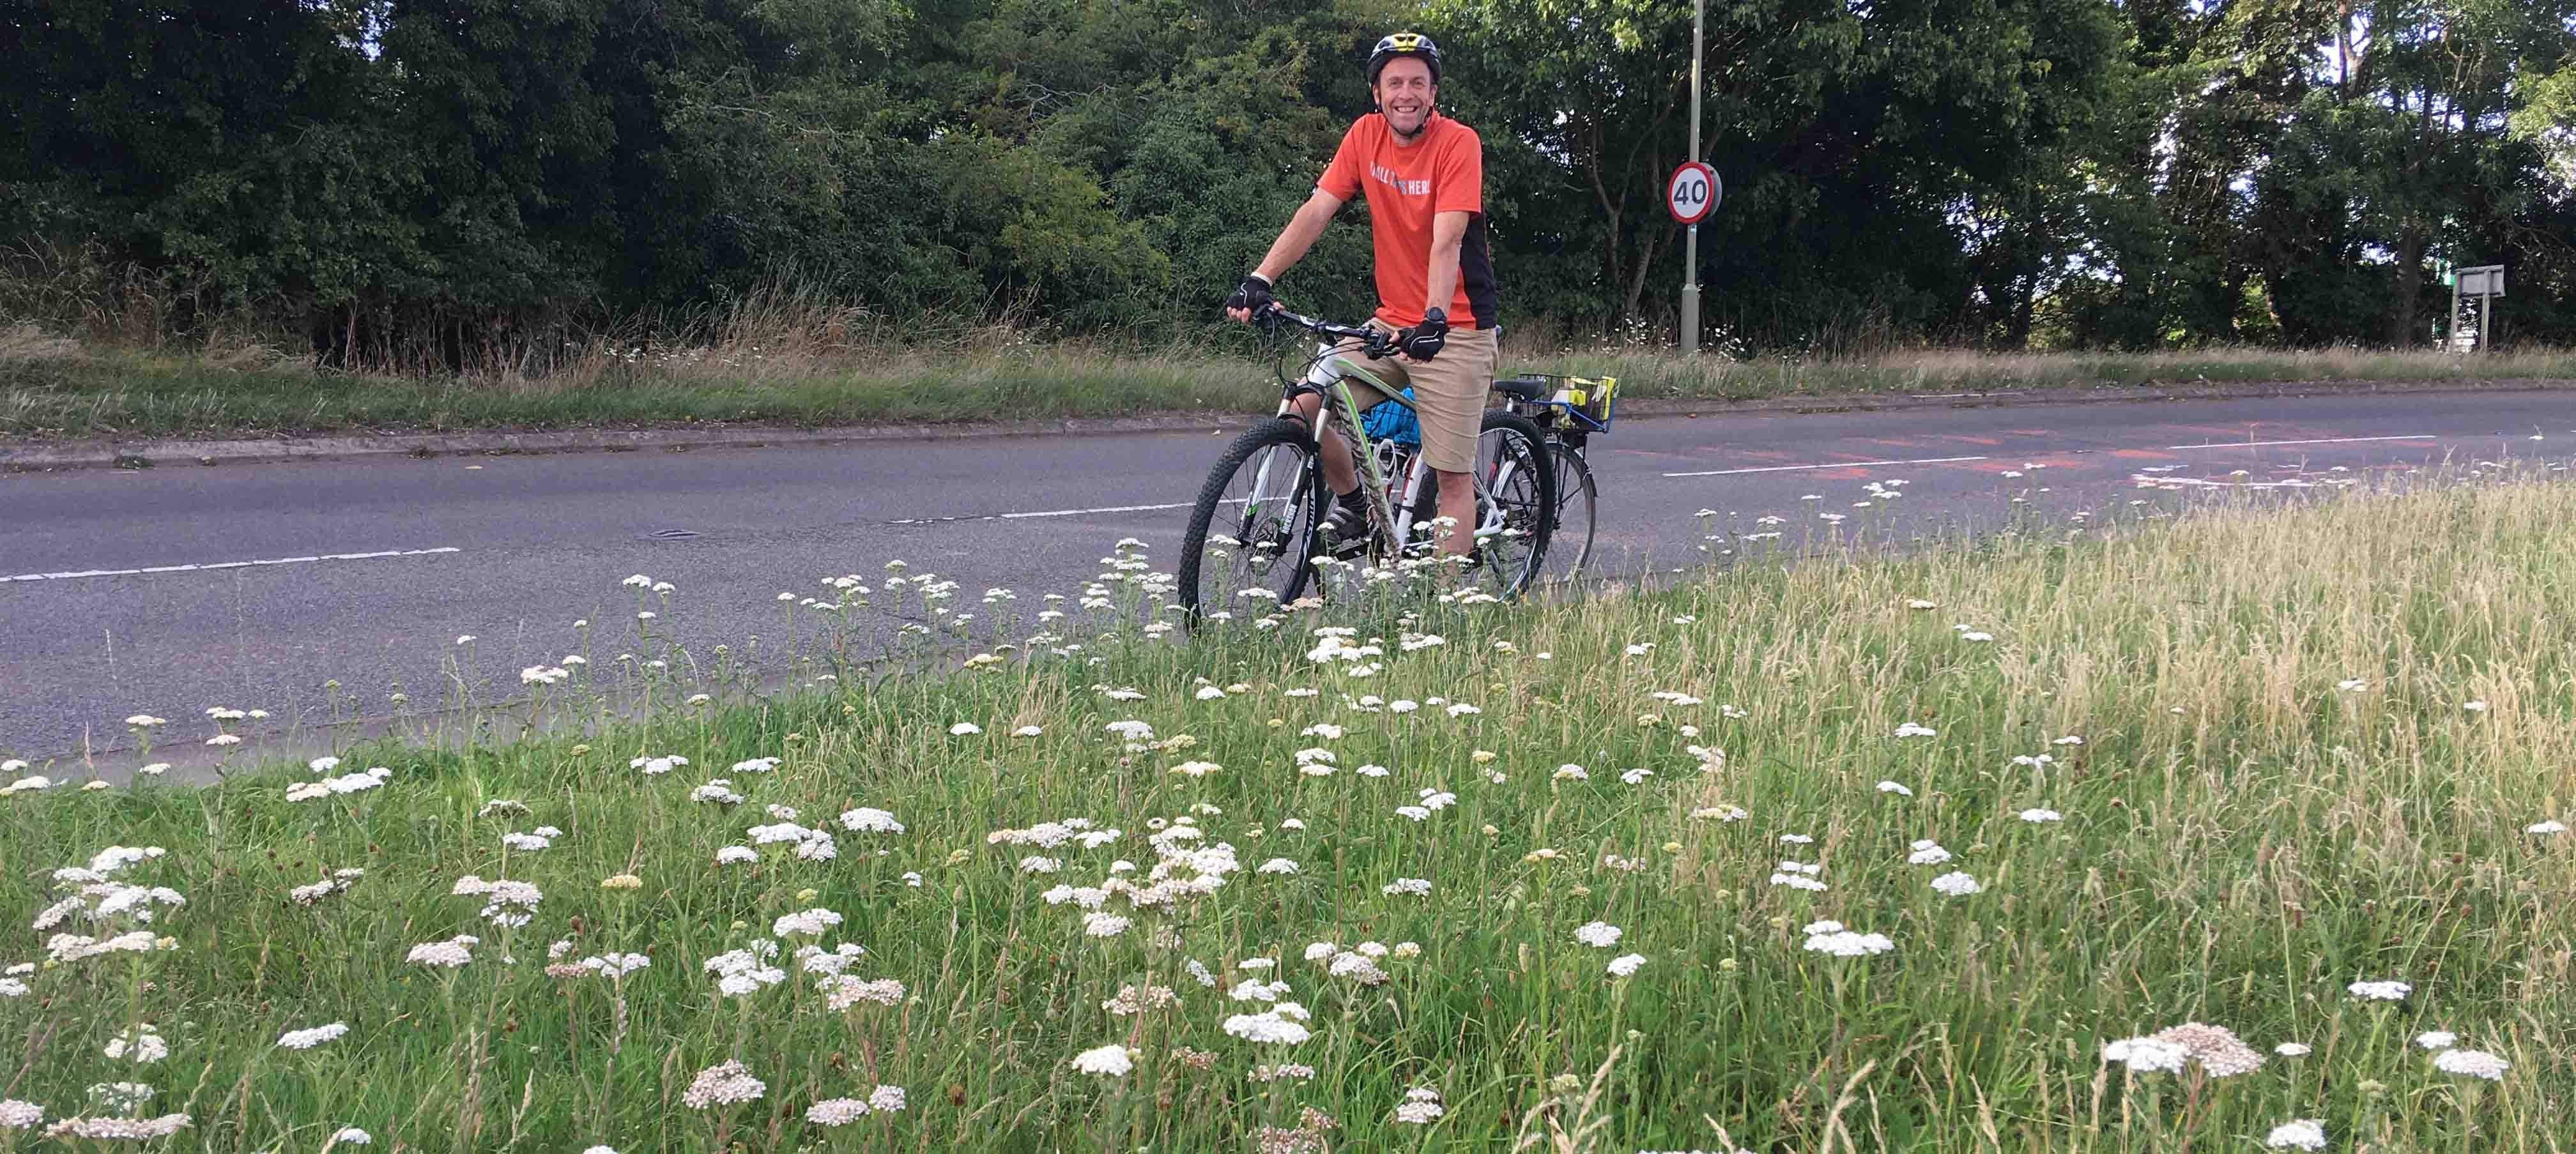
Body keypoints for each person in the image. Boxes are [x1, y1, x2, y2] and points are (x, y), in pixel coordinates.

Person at [1223, 31, 1501, 561]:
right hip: (1389, 325)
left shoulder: (1458, 143)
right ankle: (1355, 505)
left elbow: (1447, 241)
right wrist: (1262, 278)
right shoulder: (1364, 136)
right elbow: (1317, 211)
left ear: (1433, 93)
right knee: (1303, 409)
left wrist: (1435, 317)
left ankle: (1446, 607)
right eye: (1394, 83)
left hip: (1455, 330)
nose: (1405, 94)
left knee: (1451, 476)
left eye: (1417, 83)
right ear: (1377, 92)